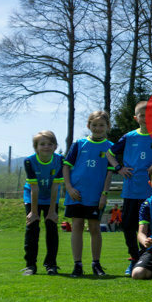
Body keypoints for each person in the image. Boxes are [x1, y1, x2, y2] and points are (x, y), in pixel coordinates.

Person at [108, 100, 152, 276]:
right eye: (142, 115)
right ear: (136, 118)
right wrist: (119, 168)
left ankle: (151, 260)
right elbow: (109, 153)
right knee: (128, 226)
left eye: (150, 115)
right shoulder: (128, 137)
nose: (145, 118)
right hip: (131, 191)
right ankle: (134, 258)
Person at [62, 111, 114, 278]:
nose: (98, 128)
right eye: (94, 125)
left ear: (108, 127)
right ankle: (77, 264)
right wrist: (69, 188)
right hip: (76, 194)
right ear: (88, 126)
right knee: (76, 226)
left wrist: (104, 194)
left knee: (94, 228)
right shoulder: (79, 144)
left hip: (96, 196)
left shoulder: (110, 147)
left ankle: (96, 264)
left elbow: (109, 173)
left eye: (101, 125)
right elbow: (66, 167)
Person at [22, 130, 63, 275]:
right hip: (33, 197)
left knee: (51, 228)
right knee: (32, 229)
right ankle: (30, 265)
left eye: (50, 144)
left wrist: (52, 211)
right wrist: (33, 212)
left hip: (51, 197)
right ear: (36, 147)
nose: (46, 147)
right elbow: (34, 187)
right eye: (42, 144)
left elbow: (55, 187)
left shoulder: (60, 160)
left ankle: (51, 264)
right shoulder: (29, 161)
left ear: (55, 146)